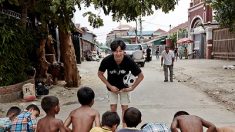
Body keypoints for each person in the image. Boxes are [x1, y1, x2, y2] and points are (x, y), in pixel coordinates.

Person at [98, 39, 144, 127]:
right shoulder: (107, 60)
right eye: (115, 51)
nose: (118, 53)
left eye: (120, 51)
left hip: (124, 89)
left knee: (125, 109)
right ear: (112, 51)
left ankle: (124, 128)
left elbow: (141, 76)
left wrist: (132, 88)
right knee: (113, 109)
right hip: (112, 89)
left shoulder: (129, 61)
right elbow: (100, 74)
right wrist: (110, 86)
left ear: (124, 51)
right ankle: (112, 127)